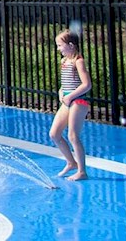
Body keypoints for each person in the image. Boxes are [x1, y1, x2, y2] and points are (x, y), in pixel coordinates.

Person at [50, 28, 92, 181]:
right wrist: (61, 91)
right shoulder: (64, 61)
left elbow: (86, 85)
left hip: (78, 101)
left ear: (71, 45)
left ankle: (82, 171)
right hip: (67, 100)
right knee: (54, 134)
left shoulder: (78, 61)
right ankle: (71, 162)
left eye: (60, 45)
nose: (58, 49)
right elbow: (66, 83)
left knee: (73, 136)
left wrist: (70, 96)